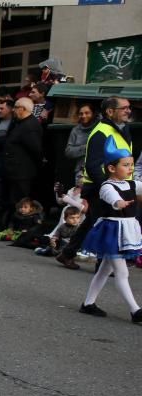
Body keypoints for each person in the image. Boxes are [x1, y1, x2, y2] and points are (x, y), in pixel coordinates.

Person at [57, 96, 134, 270]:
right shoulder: (101, 132)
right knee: (106, 223)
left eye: (129, 107)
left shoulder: (122, 129)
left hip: (117, 186)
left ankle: (68, 253)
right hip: (102, 187)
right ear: (110, 111)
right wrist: (108, 187)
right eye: (124, 108)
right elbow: (92, 165)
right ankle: (103, 264)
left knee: (92, 221)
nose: (128, 111)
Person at [78, 138, 142, 323]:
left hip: (126, 231)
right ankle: (135, 310)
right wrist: (119, 202)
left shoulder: (131, 184)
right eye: (126, 165)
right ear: (112, 168)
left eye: (131, 165)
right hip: (112, 232)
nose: (130, 168)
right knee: (122, 273)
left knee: (104, 271)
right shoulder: (106, 186)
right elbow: (112, 198)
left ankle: (88, 304)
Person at [3, 98, 43, 207]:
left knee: (20, 203)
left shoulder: (30, 126)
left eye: (15, 107)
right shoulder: (20, 123)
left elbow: (36, 150)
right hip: (15, 172)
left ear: (22, 109)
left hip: (22, 174)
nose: (13, 110)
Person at [64, 103, 98, 187]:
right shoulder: (75, 130)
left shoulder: (99, 128)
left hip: (98, 170)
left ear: (93, 114)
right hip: (81, 171)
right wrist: (86, 148)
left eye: (87, 113)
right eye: (81, 113)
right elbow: (68, 151)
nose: (83, 116)